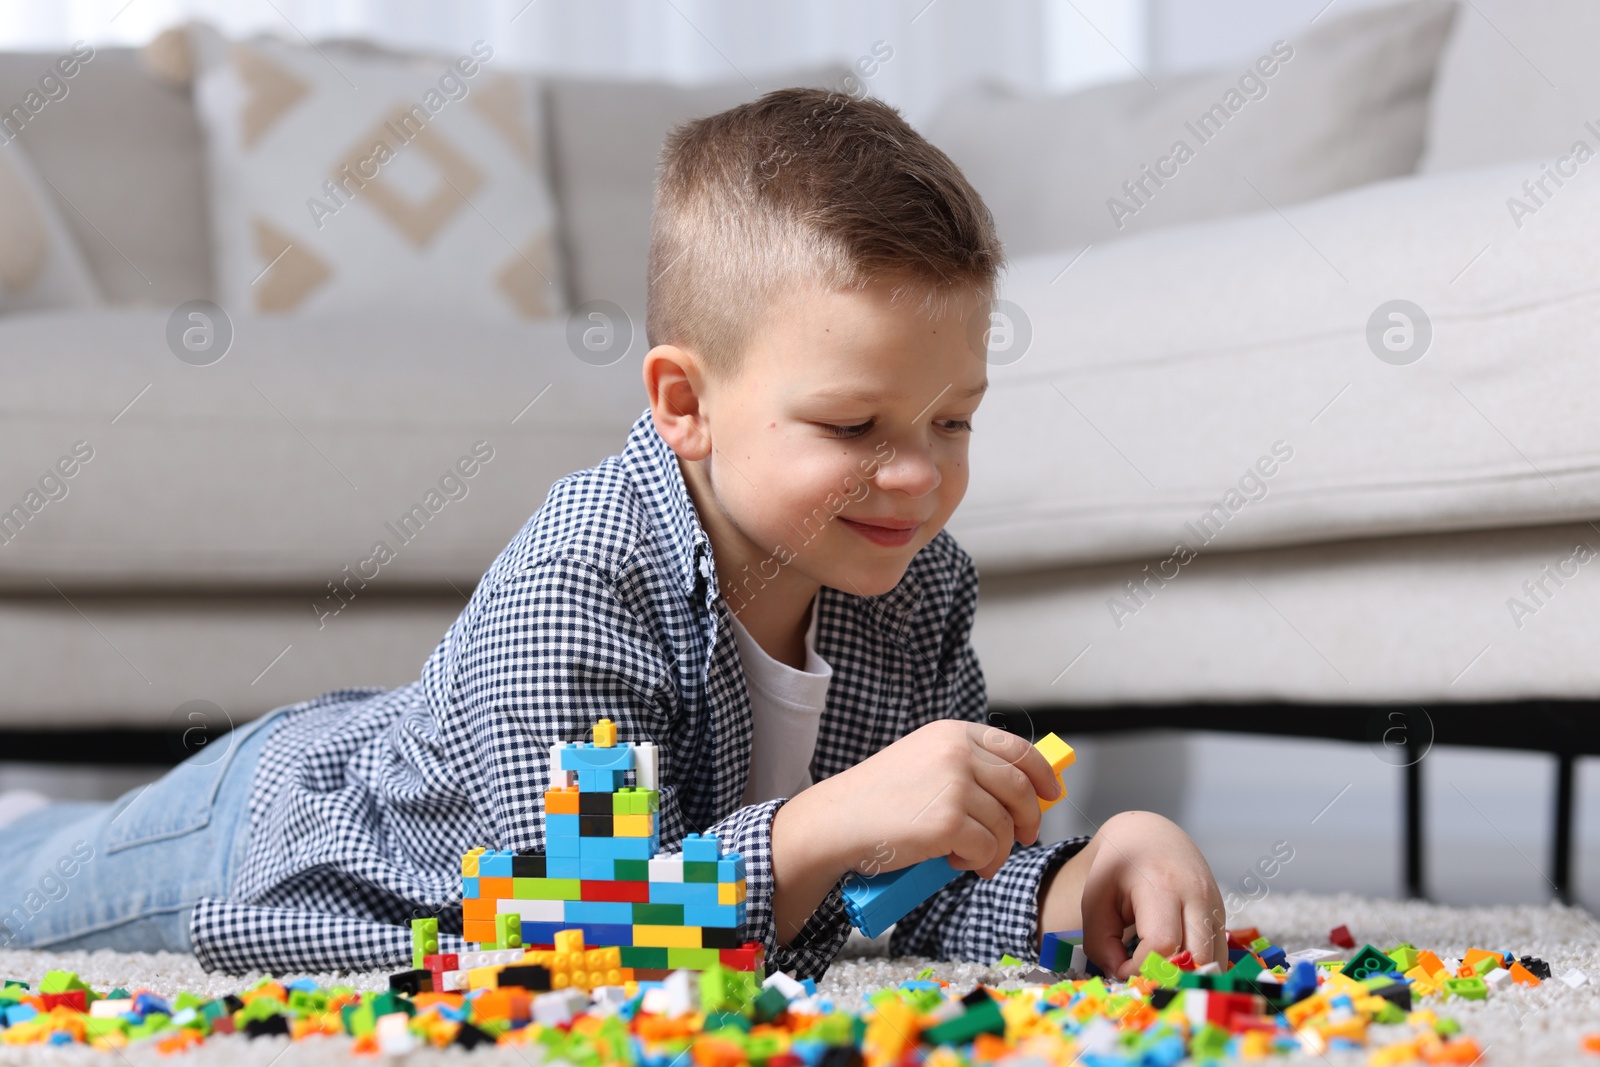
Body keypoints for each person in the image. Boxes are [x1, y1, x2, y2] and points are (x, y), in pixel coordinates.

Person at [0, 87, 1224, 980]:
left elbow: (905, 888)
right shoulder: (585, 576)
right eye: (851, 423)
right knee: (27, 884)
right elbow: (578, 929)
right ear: (683, 405)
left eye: (952, 419)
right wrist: (833, 817)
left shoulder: (915, 587)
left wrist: (1079, 872)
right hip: (273, 838)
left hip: (423, 799)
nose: (915, 474)